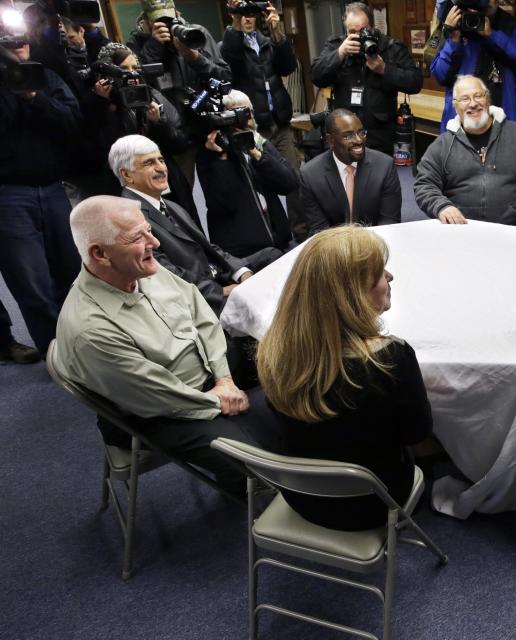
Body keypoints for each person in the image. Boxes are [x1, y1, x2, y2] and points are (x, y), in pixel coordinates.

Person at [55, 195, 277, 491]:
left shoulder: (141, 269)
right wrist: (220, 399)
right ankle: (248, 484)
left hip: (209, 372)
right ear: (100, 254)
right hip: (164, 412)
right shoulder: (90, 330)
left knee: (299, 358)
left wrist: (224, 378)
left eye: (149, 230)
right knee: (270, 463)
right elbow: (159, 396)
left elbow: (203, 318)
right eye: (138, 237)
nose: (155, 243)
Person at [256, 226, 433, 530]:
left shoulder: (273, 348)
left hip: (300, 495)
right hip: (374, 504)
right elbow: (417, 434)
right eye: (379, 273)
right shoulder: (390, 359)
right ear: (351, 293)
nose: (390, 277)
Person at [111, 135, 281, 315]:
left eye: (161, 160)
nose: (161, 168)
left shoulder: (171, 205)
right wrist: (221, 291)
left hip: (216, 275)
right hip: (195, 297)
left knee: (272, 256)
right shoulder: (128, 217)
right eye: (149, 163)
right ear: (126, 174)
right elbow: (163, 273)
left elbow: (208, 247)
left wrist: (240, 271)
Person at [0, 37, 81, 356]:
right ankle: (56, 350)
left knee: (72, 270)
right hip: (8, 195)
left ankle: (84, 341)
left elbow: (71, 122)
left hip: (52, 186)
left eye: (22, 39)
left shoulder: (46, 77)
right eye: (9, 41)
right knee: (32, 280)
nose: (18, 45)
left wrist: (34, 97)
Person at [414, 75, 516, 227]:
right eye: (465, 99)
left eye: (478, 96)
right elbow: (424, 184)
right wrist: (442, 207)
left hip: (515, 229)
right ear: (456, 106)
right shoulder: (443, 145)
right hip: (461, 231)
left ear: (487, 99)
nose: (473, 104)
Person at [220, 0, 305, 239]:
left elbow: (288, 67)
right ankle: (275, 235)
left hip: (280, 123)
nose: (247, 18)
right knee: (261, 183)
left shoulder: (267, 43)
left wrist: (277, 31)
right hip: (253, 128)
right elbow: (230, 59)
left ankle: (301, 232)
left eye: (251, 14)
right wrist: (235, 25)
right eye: (242, 15)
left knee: (294, 179)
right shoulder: (229, 44)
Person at [72, 44, 193, 206]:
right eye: (123, 68)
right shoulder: (95, 105)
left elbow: (180, 143)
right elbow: (100, 151)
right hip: (125, 192)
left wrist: (158, 122)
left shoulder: (152, 96)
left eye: (135, 67)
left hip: (168, 186)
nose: (131, 73)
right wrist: (103, 103)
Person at [127, 0, 232, 187]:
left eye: (170, 18)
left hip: (206, 126)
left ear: (177, 13)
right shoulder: (137, 42)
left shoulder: (195, 34)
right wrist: (153, 47)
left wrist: (195, 58)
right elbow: (137, 85)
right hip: (172, 134)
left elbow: (224, 78)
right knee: (181, 196)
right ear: (145, 20)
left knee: (222, 191)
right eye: (160, 20)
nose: (167, 25)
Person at [311, 2, 422, 157]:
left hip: (380, 135)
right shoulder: (337, 45)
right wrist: (340, 54)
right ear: (346, 30)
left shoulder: (391, 47)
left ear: (372, 26)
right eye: (352, 32)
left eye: (363, 30)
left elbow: (415, 82)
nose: (358, 36)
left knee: (379, 178)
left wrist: (384, 69)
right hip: (345, 134)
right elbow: (316, 76)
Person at [196, 88, 297, 257]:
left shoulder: (258, 142)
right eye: (238, 113)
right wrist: (222, 157)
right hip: (244, 252)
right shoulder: (210, 153)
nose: (247, 118)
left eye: (248, 111)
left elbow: (289, 183)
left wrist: (256, 153)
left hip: (279, 242)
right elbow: (222, 204)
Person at [428, 0, 516, 129]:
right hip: (463, 122)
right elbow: (441, 75)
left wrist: (492, 35)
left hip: (505, 118)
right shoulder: (453, 22)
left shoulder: (506, 23)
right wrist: (453, 39)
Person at [300, 109, 401, 234]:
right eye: (348, 136)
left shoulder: (384, 166)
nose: (359, 140)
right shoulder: (310, 175)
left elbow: (390, 221)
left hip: (376, 243)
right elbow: (319, 229)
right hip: (333, 247)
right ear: (330, 140)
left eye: (361, 133)